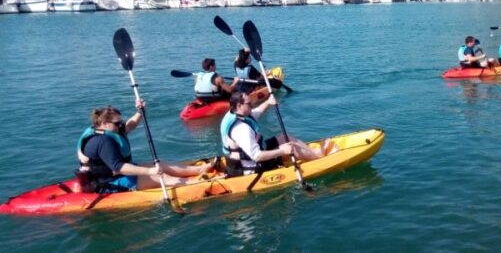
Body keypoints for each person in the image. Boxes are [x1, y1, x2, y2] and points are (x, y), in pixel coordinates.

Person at [76, 101, 212, 193]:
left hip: (118, 175)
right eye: (117, 123)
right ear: (105, 124)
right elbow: (119, 167)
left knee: (161, 164)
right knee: (160, 176)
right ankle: (196, 184)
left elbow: (130, 125)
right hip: (109, 183)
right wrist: (150, 172)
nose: (120, 125)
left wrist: (140, 111)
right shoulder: (103, 141)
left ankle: (199, 169)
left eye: (120, 122)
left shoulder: (111, 130)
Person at [220, 91, 337, 176]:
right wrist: (283, 151)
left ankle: (315, 153)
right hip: (250, 167)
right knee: (291, 147)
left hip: (253, 154)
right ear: (239, 106)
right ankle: (320, 158)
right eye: (249, 104)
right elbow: (256, 156)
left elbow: (257, 112)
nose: (252, 105)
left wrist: (269, 102)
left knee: (286, 137)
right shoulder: (241, 129)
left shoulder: (237, 114)